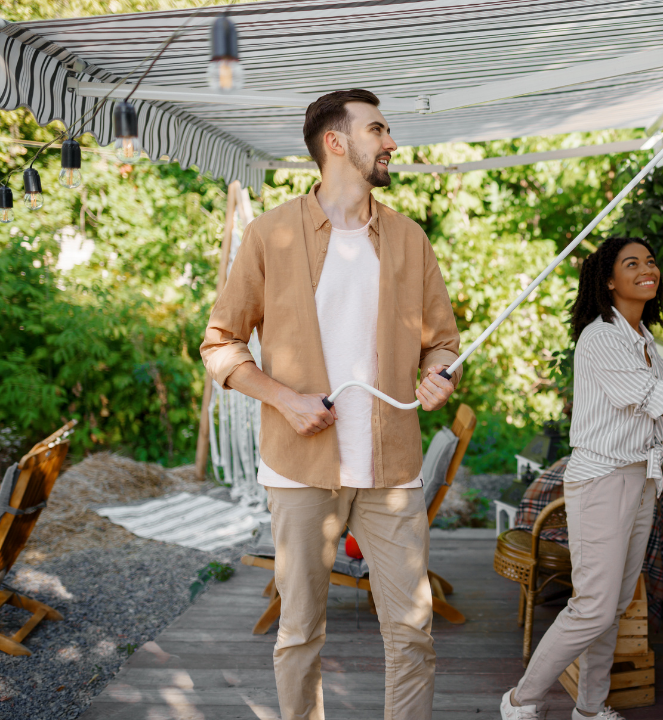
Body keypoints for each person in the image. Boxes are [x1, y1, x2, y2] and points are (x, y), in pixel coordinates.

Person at [201, 89, 460, 720]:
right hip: (301, 468)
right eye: (378, 129)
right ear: (336, 143)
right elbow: (219, 345)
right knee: (299, 635)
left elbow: (443, 345)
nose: (392, 142)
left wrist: (438, 377)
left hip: (390, 469)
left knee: (413, 635)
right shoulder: (269, 236)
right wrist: (285, 399)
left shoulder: (409, 238)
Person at [501, 236, 663, 720]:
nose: (648, 269)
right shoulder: (602, 338)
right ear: (609, 280)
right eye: (631, 263)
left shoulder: (640, 340)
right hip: (603, 482)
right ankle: (520, 701)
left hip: (638, 481)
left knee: (613, 605)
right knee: (592, 607)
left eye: (651, 261)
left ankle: (590, 710)